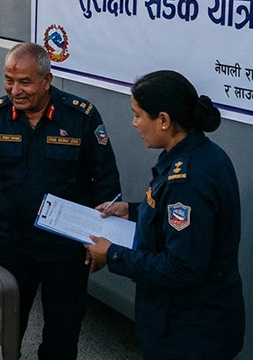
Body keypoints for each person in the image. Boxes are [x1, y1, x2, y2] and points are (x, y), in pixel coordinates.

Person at [0, 42, 121, 360]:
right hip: (15, 245)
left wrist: (103, 239)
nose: (15, 90)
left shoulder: (80, 116)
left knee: (61, 336)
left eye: (24, 82)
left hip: (67, 251)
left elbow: (106, 181)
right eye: (9, 80)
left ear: (47, 80)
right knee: (4, 330)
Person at [85, 71, 244, 360]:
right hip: (202, 322)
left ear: (164, 120)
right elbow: (175, 220)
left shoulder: (187, 180)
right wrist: (131, 210)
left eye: (137, 115)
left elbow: (181, 267)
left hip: (187, 332)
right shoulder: (204, 155)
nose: (133, 124)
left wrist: (112, 255)